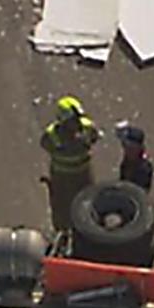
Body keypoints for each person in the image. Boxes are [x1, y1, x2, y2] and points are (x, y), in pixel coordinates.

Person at [39, 95, 100, 230]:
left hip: (83, 176)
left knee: (87, 206)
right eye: (72, 121)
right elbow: (45, 144)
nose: (76, 123)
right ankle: (62, 234)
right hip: (62, 179)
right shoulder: (52, 136)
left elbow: (94, 137)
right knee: (62, 211)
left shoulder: (87, 128)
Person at [116, 122, 154, 192]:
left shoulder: (144, 169)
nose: (125, 150)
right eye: (124, 146)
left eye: (130, 148)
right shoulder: (126, 162)